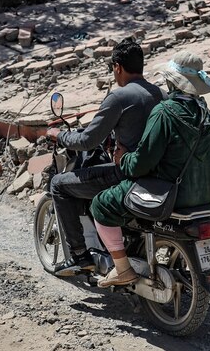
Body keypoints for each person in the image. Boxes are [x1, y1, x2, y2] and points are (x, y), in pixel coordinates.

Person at [90, 51, 210, 287]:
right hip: (205, 194)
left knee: (101, 203)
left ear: (172, 82)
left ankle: (122, 268)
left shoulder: (164, 112)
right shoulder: (206, 115)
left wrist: (123, 159)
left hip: (171, 195)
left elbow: (142, 163)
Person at [47, 38, 165, 276]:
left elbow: (87, 140)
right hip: (158, 173)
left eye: (112, 68)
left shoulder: (119, 97)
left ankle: (80, 256)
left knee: (59, 185)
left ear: (117, 67)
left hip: (127, 173)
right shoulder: (161, 94)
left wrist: (59, 135)